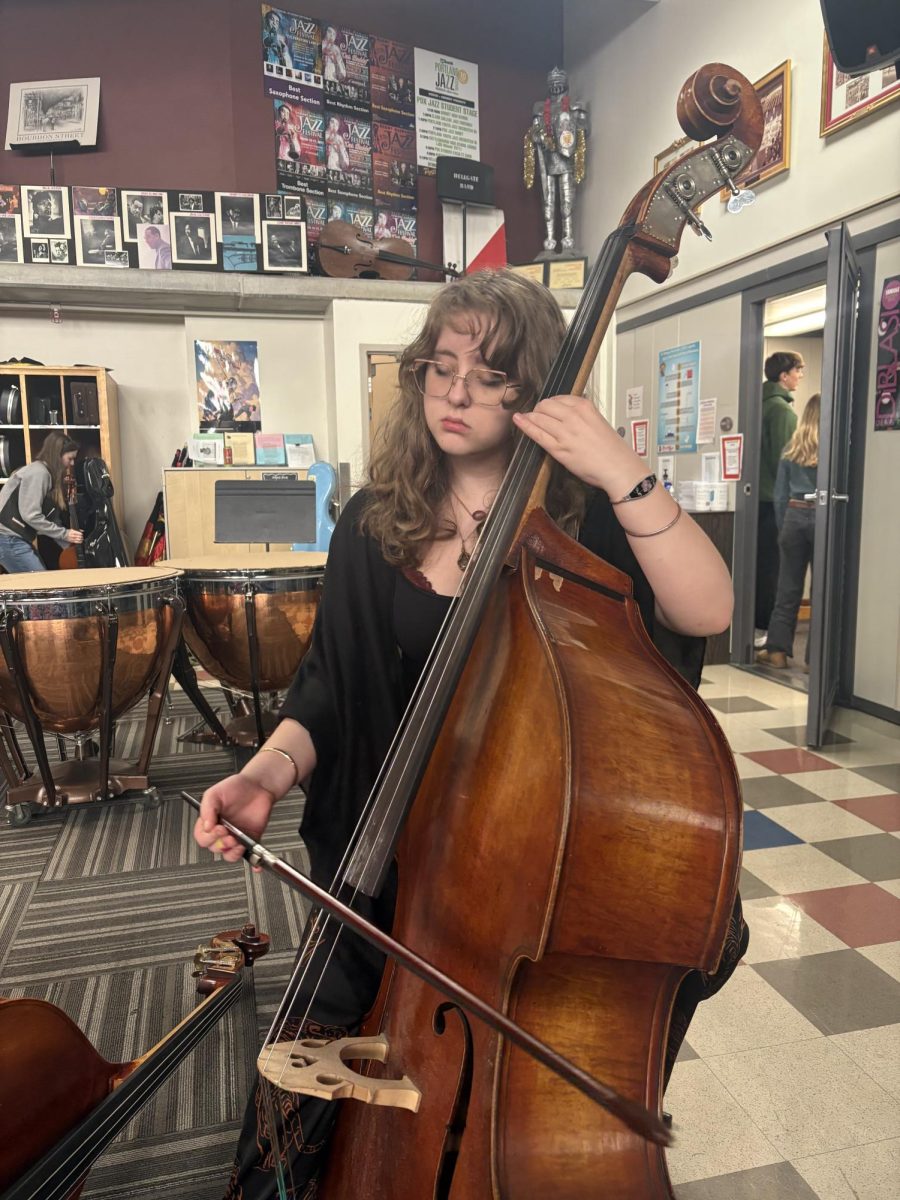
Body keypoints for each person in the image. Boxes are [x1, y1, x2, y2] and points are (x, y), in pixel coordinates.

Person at [194, 270, 744, 1199]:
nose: (455, 392)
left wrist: (622, 471)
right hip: (391, 874)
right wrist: (271, 769)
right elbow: (329, 688)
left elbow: (706, 609)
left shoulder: (587, 533)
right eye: (439, 367)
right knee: (289, 1121)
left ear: (535, 390)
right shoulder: (374, 526)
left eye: (490, 375)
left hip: (533, 884)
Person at [757, 393, 820, 669]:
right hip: (822, 515)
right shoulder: (833, 448)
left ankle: (777, 652)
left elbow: (780, 495)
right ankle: (816, 657)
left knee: (788, 589)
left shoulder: (791, 448)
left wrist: (784, 527)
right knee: (822, 591)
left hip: (794, 515)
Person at [755, 350, 802, 638]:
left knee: (760, 565)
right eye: (798, 370)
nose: (799, 376)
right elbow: (784, 461)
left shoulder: (756, 402)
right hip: (773, 499)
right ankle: (765, 627)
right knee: (774, 567)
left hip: (756, 499)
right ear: (783, 376)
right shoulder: (782, 411)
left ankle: (756, 622)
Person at [0, 432, 83, 572]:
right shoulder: (39, 473)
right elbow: (31, 515)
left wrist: (69, 541)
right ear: (57, 456)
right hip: (8, 538)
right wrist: (64, 534)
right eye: (70, 458)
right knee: (41, 588)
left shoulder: (46, 475)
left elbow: (51, 519)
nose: (72, 463)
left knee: (41, 584)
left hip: (13, 538)